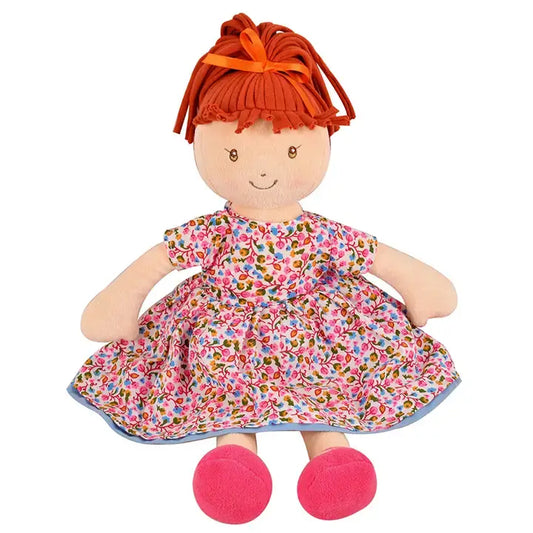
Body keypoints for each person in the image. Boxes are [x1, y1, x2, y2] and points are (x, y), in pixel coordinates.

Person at [67, 12, 461, 524]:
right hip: (223, 327)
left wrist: (422, 287)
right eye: (232, 152)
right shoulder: (214, 232)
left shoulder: (321, 234)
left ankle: (331, 454)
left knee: (324, 382)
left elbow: (373, 255)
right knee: (222, 381)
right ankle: (234, 457)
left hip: (316, 329)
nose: (261, 169)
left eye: (291, 149)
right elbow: (160, 260)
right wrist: (119, 305)